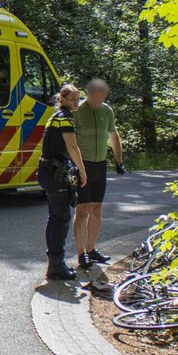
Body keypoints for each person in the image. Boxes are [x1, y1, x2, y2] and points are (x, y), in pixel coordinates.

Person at [72, 77, 125, 285]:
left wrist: (119, 161)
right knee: (82, 209)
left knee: (96, 208)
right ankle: (80, 253)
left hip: (99, 164)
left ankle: (92, 249)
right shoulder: (78, 111)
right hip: (81, 164)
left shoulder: (107, 111)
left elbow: (114, 136)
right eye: (95, 97)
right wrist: (74, 166)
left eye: (102, 97)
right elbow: (69, 141)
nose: (98, 101)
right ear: (88, 94)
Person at [37, 84, 88, 282]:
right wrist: (83, 171)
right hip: (54, 172)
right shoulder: (64, 118)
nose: (76, 102)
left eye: (78, 99)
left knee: (55, 217)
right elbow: (72, 146)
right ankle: (56, 266)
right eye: (72, 99)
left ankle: (55, 262)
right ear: (63, 99)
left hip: (48, 170)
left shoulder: (55, 116)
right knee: (61, 218)